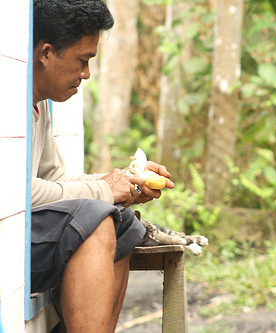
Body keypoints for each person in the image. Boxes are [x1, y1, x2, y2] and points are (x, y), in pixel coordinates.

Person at [31, 1, 174, 332]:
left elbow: (55, 180)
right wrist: (104, 189)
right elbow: (16, 194)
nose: (86, 74)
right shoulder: (7, 101)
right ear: (46, 53)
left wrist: (124, 183)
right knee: (96, 222)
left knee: (125, 225)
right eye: (83, 61)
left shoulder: (40, 105)